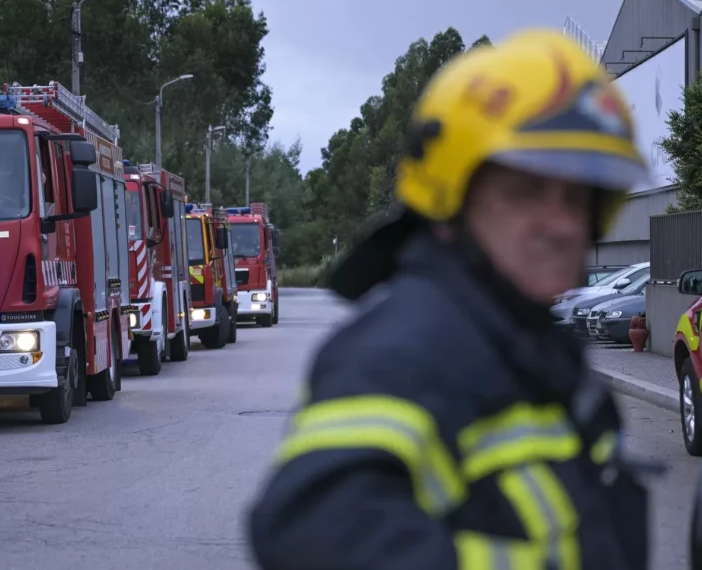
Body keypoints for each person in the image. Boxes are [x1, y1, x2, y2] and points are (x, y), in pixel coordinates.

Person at [247, 29, 656, 570]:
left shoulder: (528, 343)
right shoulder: (399, 351)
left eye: (578, 198)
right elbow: (308, 531)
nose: (561, 224)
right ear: (449, 204)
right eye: (526, 192)